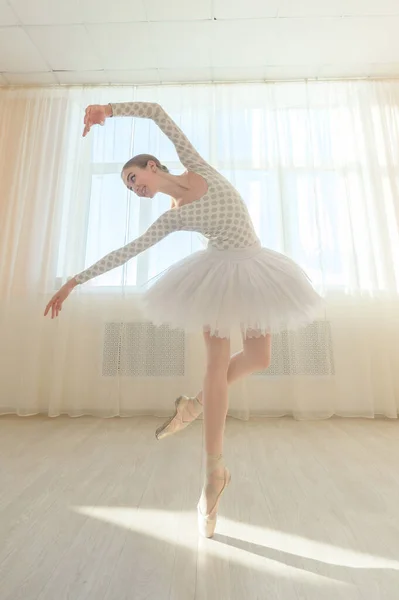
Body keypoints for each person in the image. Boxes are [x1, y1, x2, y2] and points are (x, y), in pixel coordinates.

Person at [44, 101, 325, 538]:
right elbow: (127, 252)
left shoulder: (197, 166)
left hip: (253, 268)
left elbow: (157, 112)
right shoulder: (172, 217)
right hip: (215, 278)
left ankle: (192, 405)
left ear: (152, 166)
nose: (134, 188)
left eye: (134, 179)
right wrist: (73, 281)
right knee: (216, 365)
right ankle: (213, 474)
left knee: (259, 357)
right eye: (129, 188)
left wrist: (108, 111)